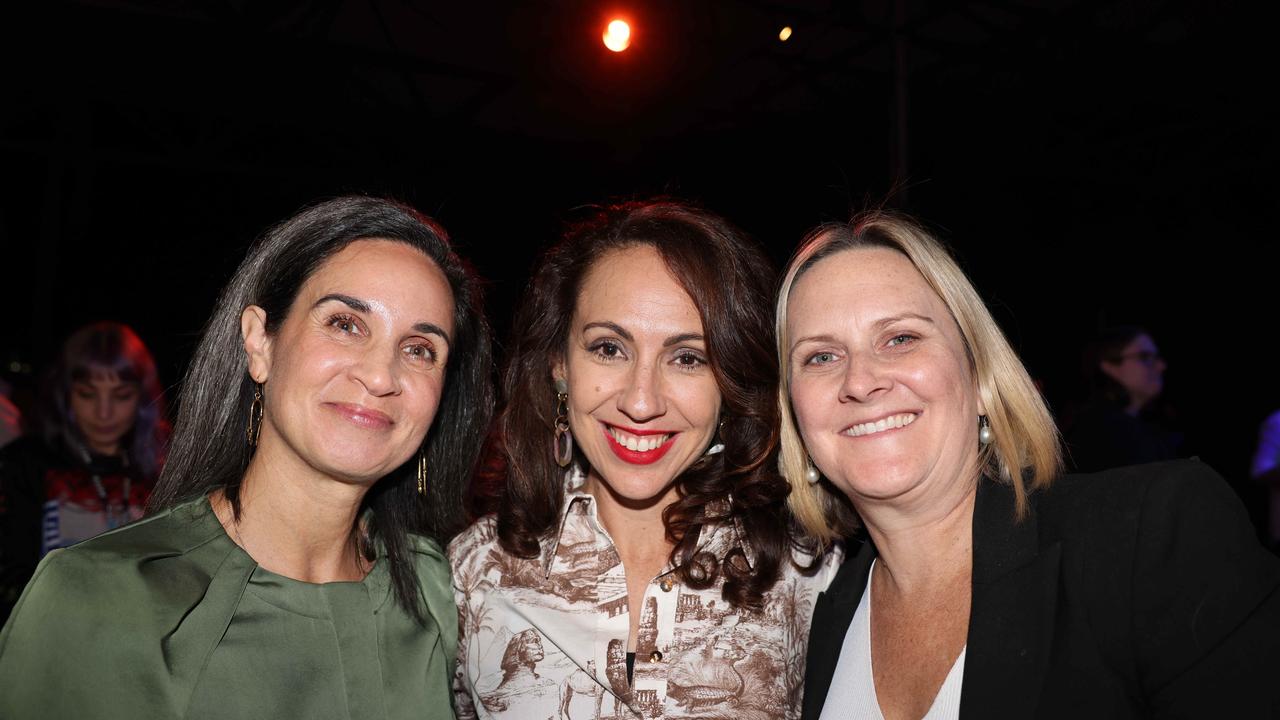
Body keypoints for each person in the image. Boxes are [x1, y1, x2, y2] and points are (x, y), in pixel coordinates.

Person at [0, 196, 493, 720]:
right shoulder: (98, 597)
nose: (379, 376)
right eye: (345, 324)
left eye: (420, 349)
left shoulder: (435, 590)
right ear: (260, 341)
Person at [776, 212, 1280, 719]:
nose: (861, 381)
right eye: (820, 356)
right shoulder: (827, 614)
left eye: (901, 338)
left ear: (980, 379)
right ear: (795, 414)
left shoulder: (1148, 540)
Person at [450, 200, 840, 720]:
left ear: (728, 385)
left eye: (687, 358)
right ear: (558, 365)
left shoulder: (809, 571)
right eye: (609, 349)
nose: (641, 401)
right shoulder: (473, 573)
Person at [0, 321, 168, 622]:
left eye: (121, 396)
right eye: (88, 394)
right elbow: (13, 576)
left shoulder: (165, 470)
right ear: (65, 395)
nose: (104, 413)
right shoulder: (26, 465)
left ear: (143, 399)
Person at [1063, 326, 1180, 472]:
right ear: (1110, 366)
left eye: (1157, 357)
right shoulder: (1101, 431)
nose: (1161, 366)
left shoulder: (1148, 426)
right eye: (1145, 357)